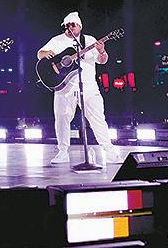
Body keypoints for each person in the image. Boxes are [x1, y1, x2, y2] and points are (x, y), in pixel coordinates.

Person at [37, 11, 121, 164]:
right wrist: (45, 53)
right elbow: (40, 54)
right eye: (66, 25)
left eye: (73, 25)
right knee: (61, 118)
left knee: (97, 118)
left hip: (88, 87)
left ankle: (110, 152)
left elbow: (102, 60)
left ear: (80, 26)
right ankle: (62, 152)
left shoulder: (90, 40)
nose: (69, 28)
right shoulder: (57, 40)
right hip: (63, 87)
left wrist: (102, 51)